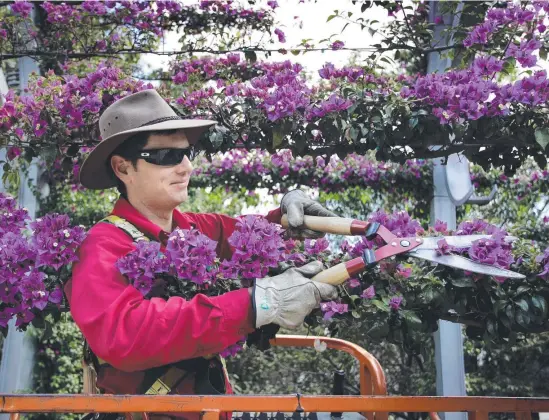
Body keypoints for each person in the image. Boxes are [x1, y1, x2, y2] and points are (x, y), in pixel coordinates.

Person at [65, 89, 339, 420]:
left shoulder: (195, 230)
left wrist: (287, 216)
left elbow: (249, 236)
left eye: (187, 153)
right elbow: (124, 335)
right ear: (123, 168)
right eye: (166, 155)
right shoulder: (101, 245)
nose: (186, 167)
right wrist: (255, 305)